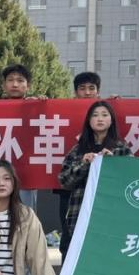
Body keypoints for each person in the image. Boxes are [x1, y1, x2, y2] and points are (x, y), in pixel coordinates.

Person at [58, 100, 133, 275]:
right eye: (95, 115)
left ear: (112, 121)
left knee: (106, 270)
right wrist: (84, 163)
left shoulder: (121, 148)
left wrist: (113, 165)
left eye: (104, 115)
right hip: (81, 217)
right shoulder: (78, 149)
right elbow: (64, 180)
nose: (100, 119)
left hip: (110, 219)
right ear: (88, 121)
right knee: (82, 269)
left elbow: (132, 182)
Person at [56, 71, 101, 260]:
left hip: (101, 195)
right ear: (75, 92)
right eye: (82, 88)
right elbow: (64, 178)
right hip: (72, 193)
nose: (87, 92)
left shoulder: (116, 143)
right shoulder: (63, 111)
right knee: (70, 239)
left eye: (92, 88)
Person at [0, 64, 39, 209]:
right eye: (10, 80)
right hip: (1, 171)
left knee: (26, 214)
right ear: (4, 85)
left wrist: (41, 106)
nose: (15, 84)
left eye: (20, 80)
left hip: (27, 172)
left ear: (28, 86)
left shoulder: (35, 105)